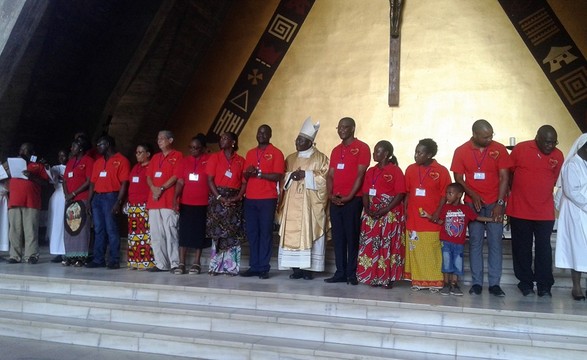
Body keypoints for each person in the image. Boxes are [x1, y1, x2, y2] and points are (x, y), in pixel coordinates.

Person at [450, 119, 511, 297]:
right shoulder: (461, 151)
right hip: (472, 203)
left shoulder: (498, 149)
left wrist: (500, 203)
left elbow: (504, 178)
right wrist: (473, 194)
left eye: (491, 135)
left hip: (494, 202)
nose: (489, 139)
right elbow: (459, 178)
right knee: (475, 243)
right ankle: (477, 283)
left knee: (495, 243)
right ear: (475, 135)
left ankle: (494, 284)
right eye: (485, 136)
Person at [507, 125, 563, 297]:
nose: (550, 146)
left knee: (544, 248)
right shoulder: (521, 149)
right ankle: (525, 282)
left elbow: (555, 179)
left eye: (553, 142)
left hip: (544, 211)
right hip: (520, 210)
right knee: (522, 248)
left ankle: (544, 284)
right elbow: (508, 173)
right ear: (537, 137)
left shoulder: (558, 155)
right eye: (547, 142)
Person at [277, 118, 330, 280]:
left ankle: (308, 270)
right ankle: (296, 269)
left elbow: (325, 179)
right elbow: (282, 177)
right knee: (291, 234)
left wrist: (306, 175)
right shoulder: (290, 158)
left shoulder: (320, 158)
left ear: (310, 142)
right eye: (297, 139)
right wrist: (290, 176)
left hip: (309, 206)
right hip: (292, 204)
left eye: (301, 140)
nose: (297, 142)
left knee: (309, 233)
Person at [420, 183, 494, 296]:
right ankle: (446, 284)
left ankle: (454, 284)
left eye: (450, 193)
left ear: (459, 195)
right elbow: (441, 222)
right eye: (447, 193)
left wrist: (492, 219)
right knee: (447, 263)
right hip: (446, 242)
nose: (447, 196)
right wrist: (428, 216)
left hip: (459, 244)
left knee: (457, 264)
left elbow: (477, 217)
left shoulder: (465, 208)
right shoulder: (445, 208)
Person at [325, 117, 370, 285]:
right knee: (338, 237)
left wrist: (350, 196)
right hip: (335, 199)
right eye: (339, 127)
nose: (341, 130)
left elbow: (360, 174)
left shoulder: (362, 148)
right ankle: (340, 272)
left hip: (353, 199)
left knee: (352, 237)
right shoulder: (336, 150)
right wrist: (330, 194)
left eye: (345, 127)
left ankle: (352, 273)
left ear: (353, 128)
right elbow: (330, 175)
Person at [356, 140, 406, 287]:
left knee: (386, 246)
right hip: (371, 213)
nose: (374, 154)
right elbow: (365, 192)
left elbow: (400, 193)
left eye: (378, 151)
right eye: (374, 151)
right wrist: (367, 208)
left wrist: (385, 210)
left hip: (388, 214)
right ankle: (371, 276)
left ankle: (387, 278)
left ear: (386, 154)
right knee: (371, 246)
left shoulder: (395, 170)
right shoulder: (371, 171)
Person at [404, 138, 451, 291]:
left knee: (432, 249)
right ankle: (417, 281)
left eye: (420, 153)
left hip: (431, 218)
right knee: (416, 249)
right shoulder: (410, 169)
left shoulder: (441, 171)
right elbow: (407, 193)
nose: (416, 155)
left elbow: (445, 194)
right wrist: (405, 212)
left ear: (429, 154)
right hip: (414, 218)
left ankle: (435, 281)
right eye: (416, 152)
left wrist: (437, 212)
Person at [241, 124, 285, 279]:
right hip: (250, 198)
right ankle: (254, 266)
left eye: (265, 133)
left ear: (270, 135)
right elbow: (245, 176)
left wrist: (259, 174)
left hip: (267, 198)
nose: (261, 135)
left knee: (265, 233)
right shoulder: (250, 153)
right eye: (259, 132)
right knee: (252, 233)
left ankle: (264, 268)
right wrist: (248, 172)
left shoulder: (276, 153)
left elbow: (278, 176)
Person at [86, 135, 130, 269]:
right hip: (97, 198)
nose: (98, 147)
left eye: (101, 144)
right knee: (99, 229)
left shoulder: (121, 160)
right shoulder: (98, 162)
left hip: (111, 197)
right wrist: (89, 200)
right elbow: (93, 183)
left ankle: (114, 260)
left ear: (109, 145)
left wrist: (118, 202)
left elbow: (124, 183)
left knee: (111, 229)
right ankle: (99, 259)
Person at [206, 132, 246, 275]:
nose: (221, 140)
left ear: (233, 142)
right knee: (218, 234)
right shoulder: (214, 157)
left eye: (225, 138)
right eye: (221, 138)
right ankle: (216, 267)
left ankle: (231, 267)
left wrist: (238, 197)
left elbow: (244, 182)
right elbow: (210, 180)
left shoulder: (241, 160)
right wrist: (220, 197)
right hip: (217, 199)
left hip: (235, 199)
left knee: (232, 234)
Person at [554, 133, 587, 301]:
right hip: (575, 213)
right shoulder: (572, 165)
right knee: (578, 249)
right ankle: (576, 287)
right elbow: (572, 191)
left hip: (584, 213)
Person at [6, 143, 49, 264]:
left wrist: (32, 177)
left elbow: (46, 183)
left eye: (25, 150)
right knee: (14, 230)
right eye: (21, 150)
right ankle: (14, 255)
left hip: (31, 201)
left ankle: (31, 255)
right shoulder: (13, 164)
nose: (22, 152)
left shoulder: (37, 165)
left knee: (30, 229)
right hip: (14, 200)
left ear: (32, 152)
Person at [146, 130, 183, 273]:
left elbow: (176, 176)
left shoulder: (178, 155)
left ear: (171, 140)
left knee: (170, 232)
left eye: (162, 138)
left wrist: (161, 188)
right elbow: (149, 176)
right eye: (158, 138)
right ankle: (161, 263)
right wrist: (154, 188)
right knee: (156, 233)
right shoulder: (155, 157)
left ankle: (174, 263)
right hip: (154, 200)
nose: (159, 141)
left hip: (168, 200)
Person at [174, 134, 210, 275]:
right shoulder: (184, 161)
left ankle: (196, 262)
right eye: (191, 147)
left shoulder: (209, 160)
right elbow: (181, 181)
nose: (193, 150)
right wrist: (175, 199)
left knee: (198, 233)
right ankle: (181, 262)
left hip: (202, 203)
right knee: (184, 232)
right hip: (186, 202)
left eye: (196, 148)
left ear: (203, 148)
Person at [63, 137, 94, 267]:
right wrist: (67, 194)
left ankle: (81, 256)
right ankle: (70, 255)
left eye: (74, 146)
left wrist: (74, 193)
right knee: (69, 228)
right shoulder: (70, 162)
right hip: (70, 200)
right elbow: (64, 180)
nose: (71, 149)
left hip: (82, 197)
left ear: (81, 148)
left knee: (81, 228)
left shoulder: (88, 161)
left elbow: (88, 181)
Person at [126, 143, 155, 270]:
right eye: (136, 152)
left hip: (144, 205)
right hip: (133, 206)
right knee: (134, 235)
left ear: (148, 154)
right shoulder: (135, 167)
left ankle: (146, 262)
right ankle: (134, 261)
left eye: (140, 152)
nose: (137, 155)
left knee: (145, 236)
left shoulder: (151, 167)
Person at [45, 150, 68, 263]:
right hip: (58, 197)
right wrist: (47, 168)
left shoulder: (72, 165)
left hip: (68, 196)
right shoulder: (56, 167)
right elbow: (52, 176)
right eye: (59, 156)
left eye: (63, 155)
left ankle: (67, 251)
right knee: (57, 225)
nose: (61, 158)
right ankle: (57, 252)